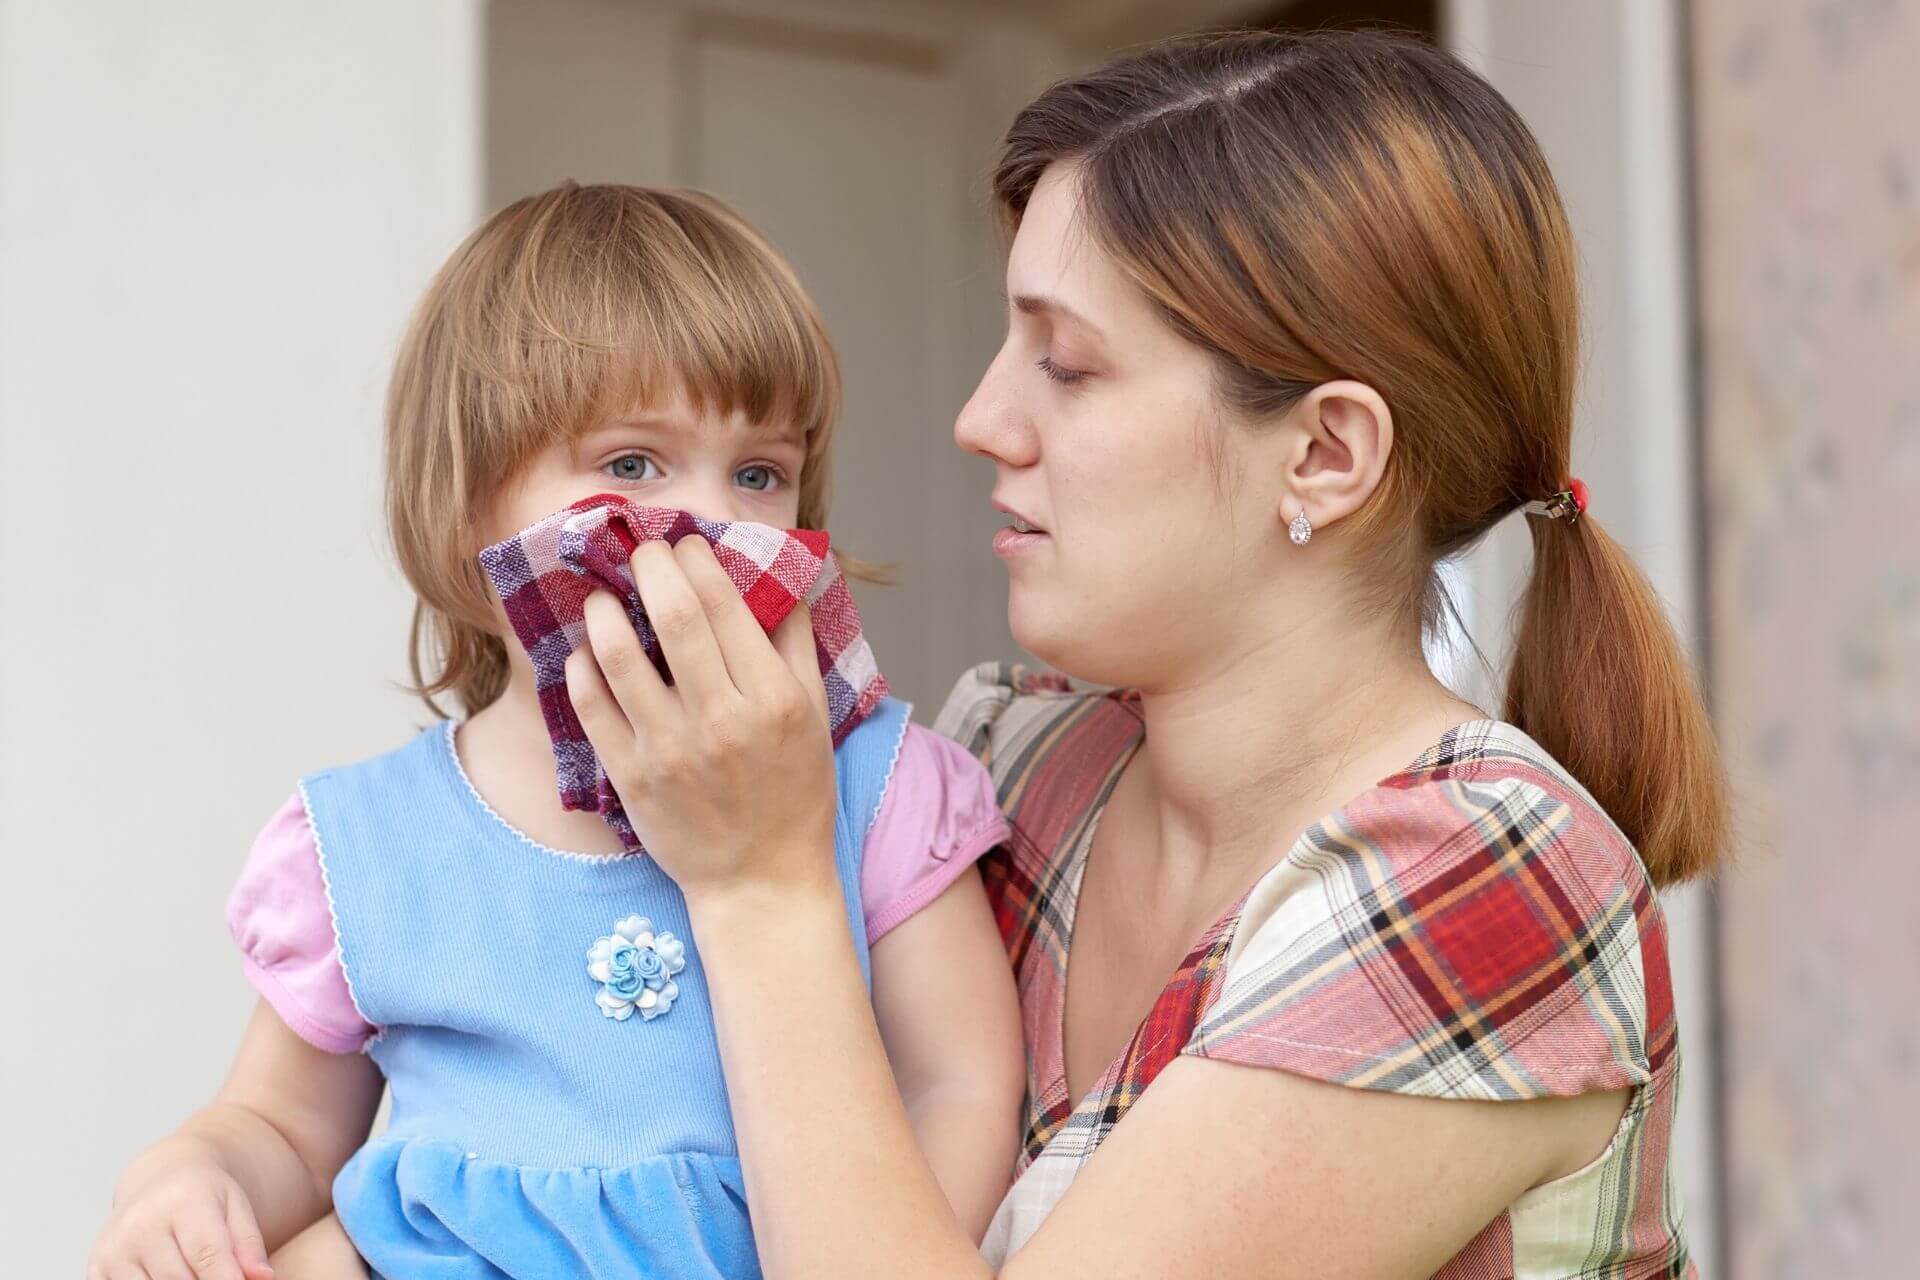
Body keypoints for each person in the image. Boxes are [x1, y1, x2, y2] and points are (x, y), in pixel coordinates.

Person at [567, 30, 1727, 1277]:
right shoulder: (1012, 758)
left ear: (1327, 455)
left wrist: (761, 884)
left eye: (1066, 363)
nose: (980, 420)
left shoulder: (1487, 875)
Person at [85, 183, 1022, 1280]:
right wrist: (191, 1175)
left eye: (759, 472)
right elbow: (282, 1127)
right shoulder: (366, 841)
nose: (705, 521)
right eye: (631, 465)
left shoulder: (879, 783)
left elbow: (956, 1083)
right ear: (467, 506)